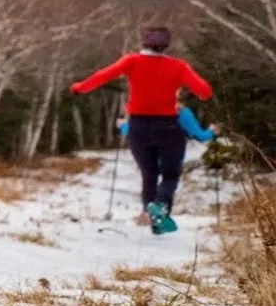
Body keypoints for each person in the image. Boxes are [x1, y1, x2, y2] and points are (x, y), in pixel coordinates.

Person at [71, 26, 212, 234]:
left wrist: (79, 87)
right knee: (170, 174)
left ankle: (151, 213)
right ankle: (161, 211)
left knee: (149, 173)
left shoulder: (131, 61)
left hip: (138, 126)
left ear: (144, 43)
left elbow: (103, 75)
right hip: (168, 126)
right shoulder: (178, 66)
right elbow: (204, 91)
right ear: (166, 45)